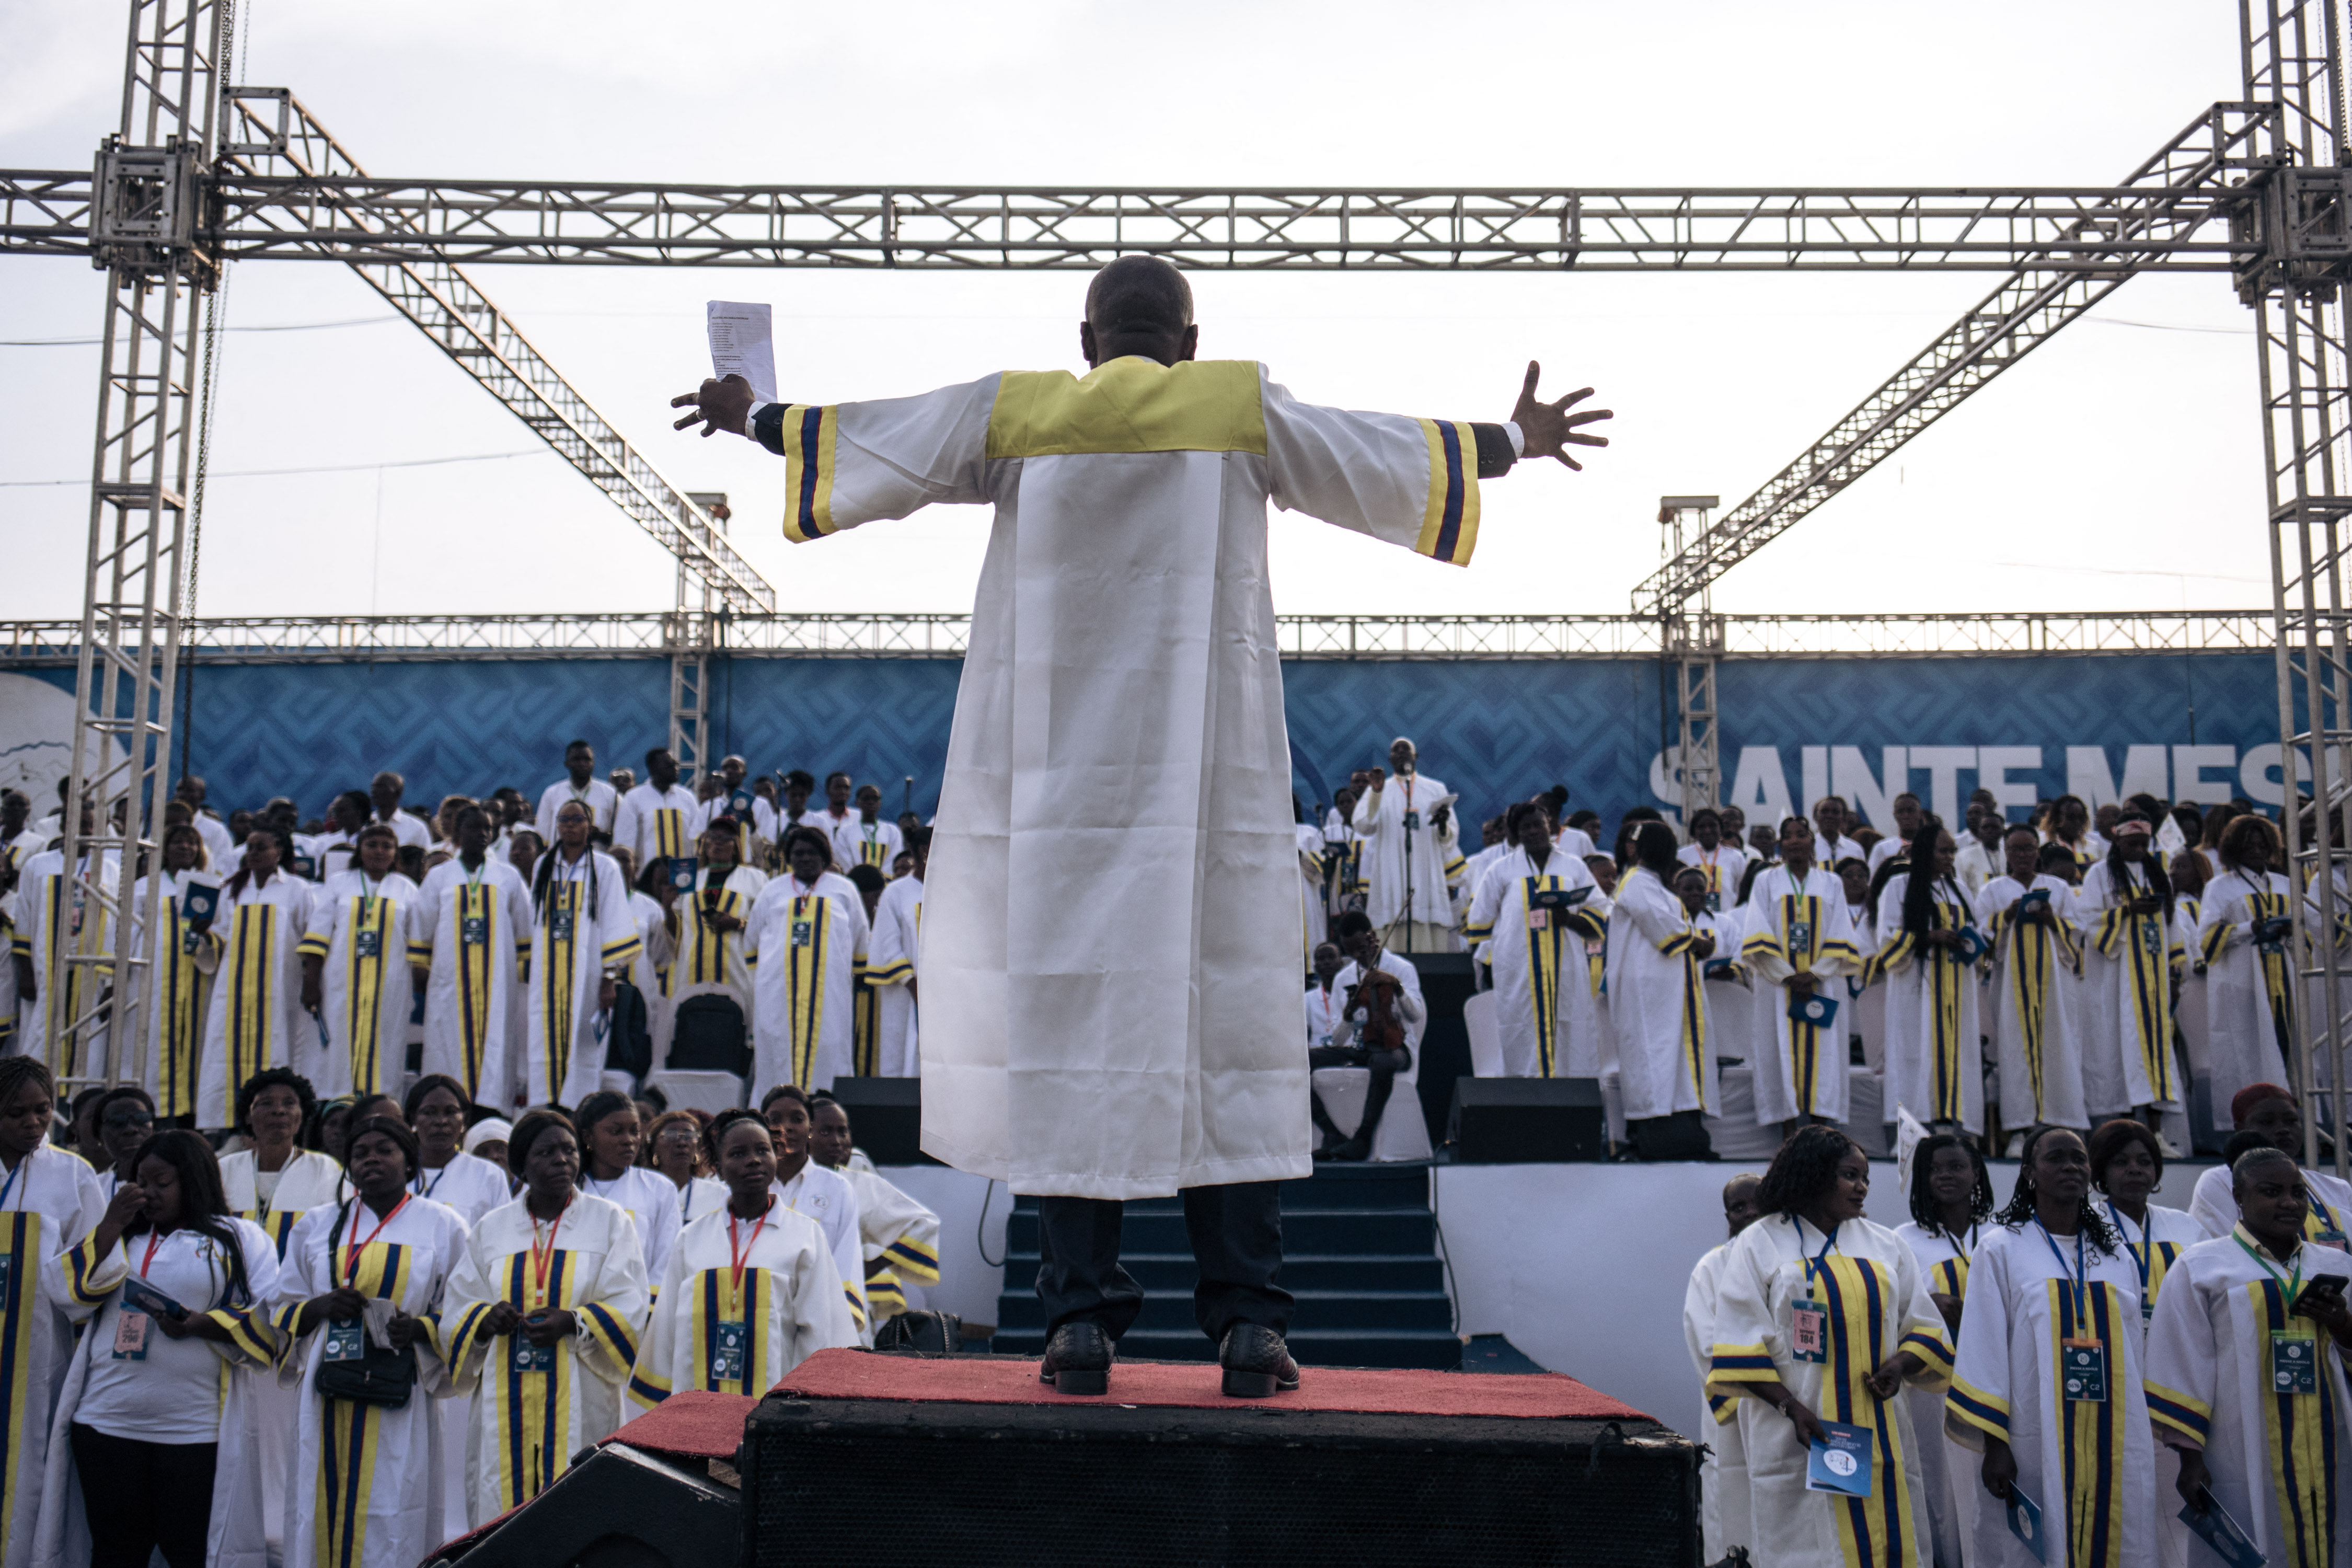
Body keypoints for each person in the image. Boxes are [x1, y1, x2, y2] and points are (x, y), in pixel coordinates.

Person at [675, 253, 1608, 1392]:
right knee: (1233, 1045)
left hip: (1056, 808)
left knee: (1070, 1056)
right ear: (1190, 341)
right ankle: (1250, 1326)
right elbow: (1373, 455)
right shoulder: (1236, 405)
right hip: (1209, 800)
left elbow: (884, 442)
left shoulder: (1017, 412)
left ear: (1085, 342)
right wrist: (1510, 441)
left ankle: (1078, 1325)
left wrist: (755, 415)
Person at [1706, 1125, 1954, 1568]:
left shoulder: (1883, 1244)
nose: (1862, 1188)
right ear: (1815, 1174)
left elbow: (1924, 1327)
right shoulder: (1761, 1243)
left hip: (1879, 1430)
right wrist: (1790, 1407)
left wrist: (1899, 1365)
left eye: (1865, 1178)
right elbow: (1740, 1342)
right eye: (1850, 1176)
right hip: (1801, 1431)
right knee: (1814, 1548)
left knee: (1890, 1540)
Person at [36, 1129, 281, 1568]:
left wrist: (201, 1325)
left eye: (161, 1182)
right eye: (140, 1182)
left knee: (188, 1553)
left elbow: (271, 1320)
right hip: (106, 1422)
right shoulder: (122, 1237)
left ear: (194, 1179)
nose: (148, 1193)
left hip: (195, 1430)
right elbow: (67, 1295)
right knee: (115, 1554)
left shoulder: (239, 1238)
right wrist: (110, 1224)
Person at [1944, 1124, 2158, 1567]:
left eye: (2079, 1159)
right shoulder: (2002, 1248)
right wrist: (1996, 1444)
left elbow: (2135, 1348)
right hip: (2032, 1430)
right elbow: (1984, 1346)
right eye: (2056, 1158)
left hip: (2115, 1427)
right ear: (2029, 1172)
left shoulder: (2115, 1253)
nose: (2070, 1167)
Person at [271, 1114, 469, 1568]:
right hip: (327, 1387)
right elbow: (280, 1304)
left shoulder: (443, 1225)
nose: (371, 1160)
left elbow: (464, 1306)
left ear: (409, 1160)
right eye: (360, 1153)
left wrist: (420, 1328)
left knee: (394, 1496)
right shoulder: (318, 1224)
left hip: (402, 1386)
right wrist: (320, 1307)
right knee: (320, 1497)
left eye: (385, 1150)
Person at [439, 1111, 650, 1526]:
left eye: (569, 1150)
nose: (561, 1160)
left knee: (579, 1506)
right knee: (502, 1505)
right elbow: (460, 1303)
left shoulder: (609, 1222)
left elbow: (631, 1301)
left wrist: (573, 1322)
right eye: (546, 1152)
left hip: (581, 1390)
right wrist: (486, 1318)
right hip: (505, 1388)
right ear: (521, 1164)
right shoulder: (492, 1229)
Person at [2145, 1146, 2352, 1568]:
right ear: (2239, 1197)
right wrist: (2190, 1459)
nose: (2289, 1202)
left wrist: (2342, 1324)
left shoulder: (2336, 1264)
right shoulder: (2202, 1267)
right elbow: (2182, 1363)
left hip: (2332, 1443)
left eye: (2298, 1192)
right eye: (2272, 1192)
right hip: (2240, 1447)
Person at [627, 1110, 860, 1408]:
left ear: (776, 1157)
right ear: (718, 1168)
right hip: (697, 1410)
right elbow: (665, 1333)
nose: (753, 1160)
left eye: (763, 1150)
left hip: (775, 1410)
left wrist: (803, 1406)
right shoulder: (692, 1239)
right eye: (738, 1154)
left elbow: (820, 1330)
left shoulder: (804, 1236)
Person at [0, 1059, 107, 1568]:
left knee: (31, 1469)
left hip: (38, 1357)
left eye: (43, 1110)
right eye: (16, 1113)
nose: (33, 1122)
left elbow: (94, 1269)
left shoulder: (72, 1173)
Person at [1893, 1134, 1995, 1567]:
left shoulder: (2003, 1234)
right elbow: (1888, 1308)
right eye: (1934, 1169)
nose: (1945, 1176)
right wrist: (1928, 1302)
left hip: (1995, 1378)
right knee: (1942, 1484)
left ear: (1976, 1174)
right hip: (1934, 1388)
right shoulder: (1902, 1241)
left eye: (1956, 1166)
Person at [1462, 801, 1609, 1078]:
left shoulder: (1573, 866)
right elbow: (1479, 921)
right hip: (1518, 969)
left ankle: (1570, 1092)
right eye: (1525, 827)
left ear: (1549, 826)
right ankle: (1526, 1093)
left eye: (1538, 825)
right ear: (1516, 833)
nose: (1533, 832)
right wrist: (1489, 963)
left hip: (1567, 967)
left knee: (1570, 1025)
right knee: (1521, 1027)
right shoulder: (1501, 870)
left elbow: (1598, 912)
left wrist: (1569, 920)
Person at [1605, 824, 1721, 1154]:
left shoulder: (1653, 884)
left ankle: (1685, 1133)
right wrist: (1698, 942)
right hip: (1649, 993)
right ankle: (1658, 1137)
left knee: (1675, 1059)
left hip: (1668, 992)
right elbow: (1661, 928)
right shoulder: (1636, 881)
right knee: (1655, 1056)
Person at [1742, 816, 1862, 1131]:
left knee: (1825, 1054)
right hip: (1777, 985)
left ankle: (1822, 1130)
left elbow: (1841, 932)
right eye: (1788, 836)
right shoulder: (1766, 881)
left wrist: (1814, 974)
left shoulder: (1831, 882)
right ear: (1781, 844)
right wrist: (1787, 975)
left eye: (1801, 834)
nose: (1795, 840)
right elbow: (1757, 930)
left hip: (1823, 984)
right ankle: (1789, 1133)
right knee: (1779, 1049)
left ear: (1812, 841)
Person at [412, 804, 535, 1109]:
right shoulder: (440, 877)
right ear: (457, 833)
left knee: (496, 1044)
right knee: (448, 1043)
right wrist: (422, 969)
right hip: (450, 981)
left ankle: (491, 1110)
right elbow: (422, 929)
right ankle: (449, 1106)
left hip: (497, 982)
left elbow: (525, 930)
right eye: (473, 828)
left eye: (487, 828)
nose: (481, 834)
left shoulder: (507, 876)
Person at [523, 802, 641, 1107]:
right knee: (544, 1040)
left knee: (584, 1046)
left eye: (577, 819)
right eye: (564, 819)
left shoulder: (605, 867)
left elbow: (614, 921)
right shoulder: (544, 865)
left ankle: (579, 1108)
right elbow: (535, 920)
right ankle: (547, 1105)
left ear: (590, 825)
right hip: (547, 975)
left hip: (588, 975)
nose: (570, 825)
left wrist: (609, 978)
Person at [297, 823, 421, 1102]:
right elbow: (318, 935)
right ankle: (334, 1104)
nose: (379, 851)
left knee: (386, 1043)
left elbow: (417, 942)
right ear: (360, 850)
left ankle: (380, 1105)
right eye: (372, 845)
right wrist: (311, 982)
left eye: (387, 846)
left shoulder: (406, 889)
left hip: (390, 985)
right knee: (337, 1046)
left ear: (395, 853)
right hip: (340, 982)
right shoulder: (339, 883)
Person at [2077, 815, 2186, 1132]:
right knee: (2118, 1050)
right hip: (2115, 979)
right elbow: (2087, 921)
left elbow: (2171, 924)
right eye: (2131, 843)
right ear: (2117, 841)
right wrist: (2127, 911)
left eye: (2143, 844)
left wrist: (2174, 973)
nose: (2138, 849)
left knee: (2156, 1052)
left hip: (2154, 979)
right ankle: (2122, 1132)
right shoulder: (2100, 874)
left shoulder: (2158, 874)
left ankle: (2156, 1132)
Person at [1876, 816, 1984, 1133]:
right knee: (1915, 1052)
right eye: (1943, 851)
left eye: (1952, 852)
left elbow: (1976, 930)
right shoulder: (1899, 886)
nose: (1950, 858)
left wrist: (1972, 942)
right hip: (1916, 987)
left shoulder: (1959, 890)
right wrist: (1928, 937)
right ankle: (1912, 1128)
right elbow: (1887, 937)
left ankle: (1951, 1126)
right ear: (1925, 852)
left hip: (1956, 985)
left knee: (1956, 1052)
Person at [747, 827, 868, 1092]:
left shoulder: (844, 889)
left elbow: (860, 939)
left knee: (829, 1047)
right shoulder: (772, 891)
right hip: (777, 993)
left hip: (830, 993)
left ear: (825, 856)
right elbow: (752, 941)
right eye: (798, 853)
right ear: (788, 857)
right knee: (777, 1047)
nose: (805, 858)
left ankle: (826, 1110)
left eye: (812, 853)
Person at [1684, 1172, 1763, 1567]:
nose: (1749, 1213)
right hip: (1735, 1414)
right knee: (1733, 1507)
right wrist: (1763, 1399)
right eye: (1738, 1207)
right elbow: (1705, 1346)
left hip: (1787, 1415)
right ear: (1727, 1215)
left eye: (1758, 1203)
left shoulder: (1791, 1258)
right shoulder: (1711, 1268)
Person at [2196, 813, 2297, 1128]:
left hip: (2284, 979)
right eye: (2249, 845)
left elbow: (2308, 931)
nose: (2257, 850)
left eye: (2262, 844)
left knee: (2287, 1046)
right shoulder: (2220, 887)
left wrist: (2289, 930)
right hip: (2243, 982)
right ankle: (2249, 1124)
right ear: (2235, 848)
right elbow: (2206, 938)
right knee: (2248, 1049)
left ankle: (2292, 1122)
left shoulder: (2285, 884)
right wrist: (2247, 928)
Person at [808, 1094, 941, 1323]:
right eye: (826, 1132)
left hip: (845, 1309)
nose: (837, 1141)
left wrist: (872, 1266)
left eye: (843, 1132)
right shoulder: (780, 1184)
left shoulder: (859, 1184)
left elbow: (923, 1223)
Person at [652, 817, 766, 1071]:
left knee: (738, 1029)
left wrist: (737, 923)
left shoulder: (754, 879)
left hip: (737, 971)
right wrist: (668, 907)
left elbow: (768, 925)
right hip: (692, 972)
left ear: (736, 845)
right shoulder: (691, 879)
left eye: (725, 838)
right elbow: (677, 934)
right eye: (712, 837)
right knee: (691, 1029)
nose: (718, 843)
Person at [128, 822, 218, 1122]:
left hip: (198, 978)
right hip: (153, 978)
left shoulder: (210, 886)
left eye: (192, 842)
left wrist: (208, 936)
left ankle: (191, 1117)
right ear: (165, 849)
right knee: (154, 1043)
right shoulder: (146, 886)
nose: (185, 847)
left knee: (196, 1043)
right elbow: (127, 933)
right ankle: (154, 1112)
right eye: (178, 841)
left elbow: (224, 933)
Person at [2186, 1083, 2352, 1239]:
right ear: (2240, 1129)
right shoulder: (2220, 1181)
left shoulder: (2337, 1188)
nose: (2283, 1129)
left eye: (2291, 1120)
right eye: (2267, 1122)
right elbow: (2225, 1251)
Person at [1351, 738, 1465, 954]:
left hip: (1426, 871)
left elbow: (1450, 839)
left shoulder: (1435, 788)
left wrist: (1442, 825)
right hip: (1390, 873)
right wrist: (1376, 794)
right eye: (1396, 750)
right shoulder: (1379, 790)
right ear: (1390, 759)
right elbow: (1363, 826)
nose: (1402, 752)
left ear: (1416, 757)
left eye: (1407, 749)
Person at [219, 1069, 348, 1257]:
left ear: (302, 1114)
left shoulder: (326, 1169)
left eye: (289, 1103)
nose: (279, 1111)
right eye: (266, 1103)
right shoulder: (224, 1169)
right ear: (248, 1115)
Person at [573, 1090, 682, 1285]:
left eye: (635, 1131)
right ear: (588, 1137)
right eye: (616, 1132)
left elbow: (667, 1261)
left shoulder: (660, 1189)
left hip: (638, 1301)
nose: (629, 1140)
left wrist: (647, 1302)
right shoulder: (570, 1189)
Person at [403, 1075, 512, 1228]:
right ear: (413, 1118)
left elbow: (501, 1233)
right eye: (429, 1112)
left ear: (464, 1120)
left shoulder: (489, 1175)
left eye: (451, 1112)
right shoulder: (397, 1172)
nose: (441, 1121)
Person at [864, 825, 927, 1077]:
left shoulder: (954, 889)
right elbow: (887, 944)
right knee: (902, 1055)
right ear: (924, 851)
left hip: (946, 991)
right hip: (906, 992)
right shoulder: (896, 892)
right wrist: (913, 985)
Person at [612, 748, 704, 881]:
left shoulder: (687, 798)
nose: (675, 768)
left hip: (683, 876)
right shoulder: (634, 798)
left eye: (676, 764)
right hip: (646, 878)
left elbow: (698, 835)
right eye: (669, 765)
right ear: (653, 768)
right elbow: (625, 840)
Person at [644, 1108, 727, 1227]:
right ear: (654, 1147)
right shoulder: (640, 1192)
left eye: (689, 1135)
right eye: (671, 1135)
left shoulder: (718, 1195)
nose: (682, 1143)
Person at [535, 739, 619, 845]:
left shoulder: (610, 793)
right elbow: (542, 833)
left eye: (587, 759)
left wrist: (599, 835)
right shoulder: (551, 793)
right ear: (567, 763)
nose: (582, 763)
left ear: (593, 762)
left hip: (598, 854)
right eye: (576, 759)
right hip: (560, 854)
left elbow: (620, 834)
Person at [1677, 807, 1751, 915]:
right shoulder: (1682, 855)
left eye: (1712, 826)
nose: (1708, 831)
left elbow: (1740, 891)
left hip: (1727, 917)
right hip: (1691, 919)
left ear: (1721, 829)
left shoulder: (1736, 857)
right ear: (1694, 831)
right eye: (1701, 827)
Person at [827, 782, 904, 879]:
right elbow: (844, 860)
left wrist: (880, 880)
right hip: (854, 883)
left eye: (875, 799)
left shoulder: (893, 831)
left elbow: (894, 859)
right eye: (866, 799)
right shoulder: (845, 831)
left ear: (880, 803)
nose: (871, 802)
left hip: (885, 883)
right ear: (857, 802)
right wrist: (859, 879)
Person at [365, 774, 432, 852]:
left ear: (398, 793)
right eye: (373, 787)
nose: (374, 791)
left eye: (381, 787)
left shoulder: (417, 828)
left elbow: (427, 856)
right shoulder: (365, 823)